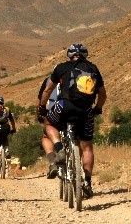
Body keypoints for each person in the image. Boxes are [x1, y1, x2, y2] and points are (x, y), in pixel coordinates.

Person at [39, 43, 106, 198]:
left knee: (48, 124)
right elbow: (103, 94)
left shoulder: (61, 68)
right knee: (87, 147)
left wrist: (42, 106)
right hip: (86, 110)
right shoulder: (93, 69)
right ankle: (87, 182)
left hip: (64, 106)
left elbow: (48, 90)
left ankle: (59, 149)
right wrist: (97, 108)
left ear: (69, 55)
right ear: (85, 55)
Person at [36, 76, 58, 178]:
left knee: (46, 135)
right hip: (77, 111)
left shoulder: (49, 79)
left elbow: (40, 100)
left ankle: (53, 163)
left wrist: (40, 112)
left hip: (55, 111)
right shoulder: (79, 75)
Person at [0, 96, 17, 174]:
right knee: (5, 138)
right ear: (3, 102)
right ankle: (6, 150)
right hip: (5, 127)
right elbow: (12, 120)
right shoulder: (7, 109)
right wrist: (14, 128)